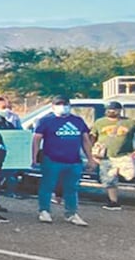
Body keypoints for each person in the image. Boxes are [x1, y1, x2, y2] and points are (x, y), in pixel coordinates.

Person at [32, 95, 97, 227]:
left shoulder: (77, 120)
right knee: (47, 186)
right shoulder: (45, 120)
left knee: (72, 188)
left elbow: (85, 140)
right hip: (52, 159)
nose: (62, 106)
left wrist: (90, 158)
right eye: (59, 104)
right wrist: (34, 157)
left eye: (65, 103)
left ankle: (71, 213)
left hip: (74, 160)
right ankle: (44, 210)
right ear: (53, 106)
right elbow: (37, 139)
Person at [90, 101, 135, 211]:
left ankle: (118, 172)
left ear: (119, 110)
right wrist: (93, 151)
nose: (111, 111)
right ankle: (113, 202)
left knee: (130, 175)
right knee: (109, 180)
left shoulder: (130, 122)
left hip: (124, 155)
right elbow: (92, 137)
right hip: (106, 156)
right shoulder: (99, 122)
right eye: (109, 109)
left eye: (114, 109)